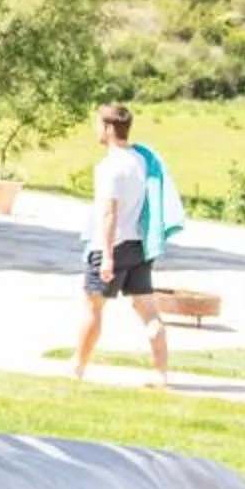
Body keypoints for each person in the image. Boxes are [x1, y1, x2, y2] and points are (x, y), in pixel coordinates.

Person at [72, 101, 172, 385]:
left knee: (93, 308)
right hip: (139, 245)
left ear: (108, 128)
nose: (95, 130)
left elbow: (108, 213)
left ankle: (78, 367)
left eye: (98, 125)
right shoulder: (141, 161)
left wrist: (106, 257)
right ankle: (160, 373)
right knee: (148, 310)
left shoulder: (110, 167)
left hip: (112, 246)